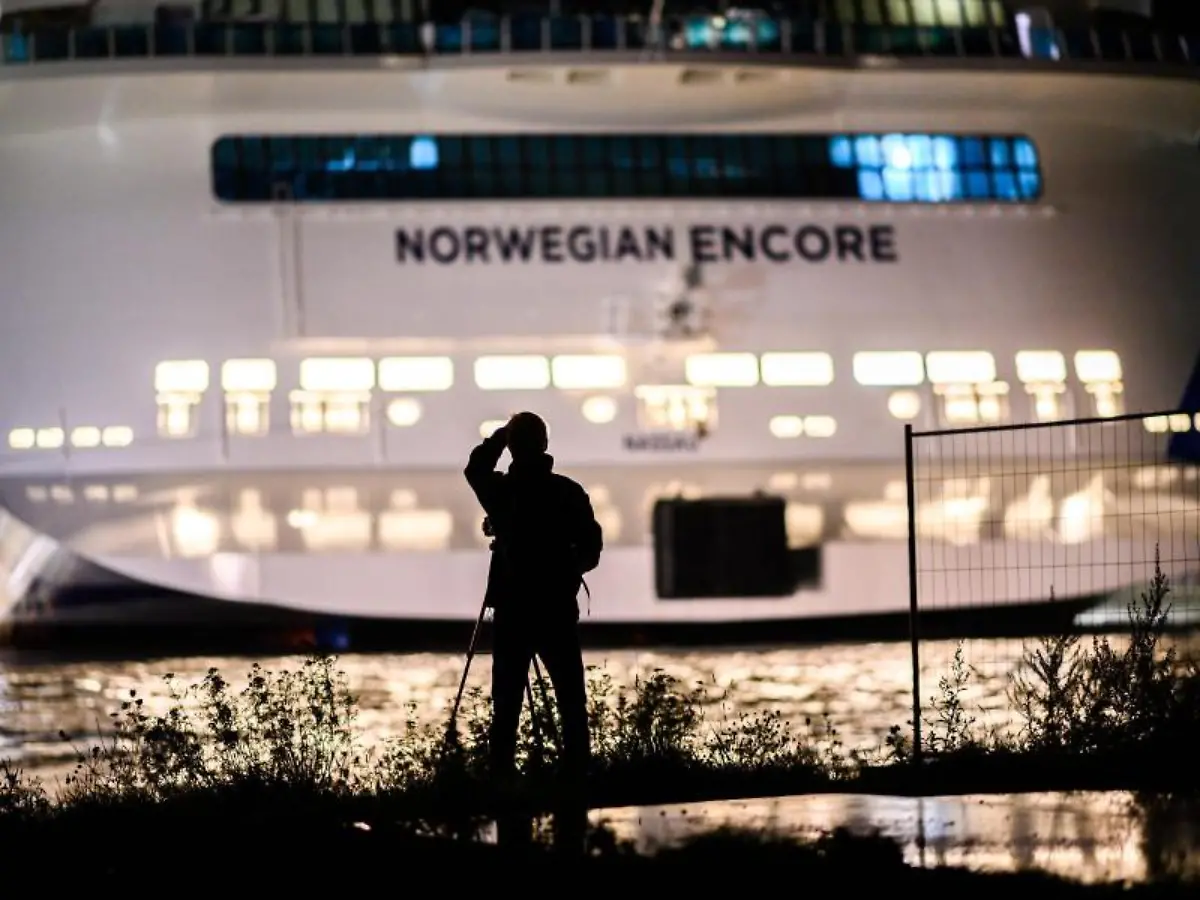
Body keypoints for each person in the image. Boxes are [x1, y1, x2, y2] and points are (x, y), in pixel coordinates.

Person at [463, 411, 602, 850]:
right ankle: (576, 775)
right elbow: (592, 548)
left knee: (505, 701)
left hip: (513, 610)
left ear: (514, 446)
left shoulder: (501, 493)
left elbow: (475, 469)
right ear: (545, 444)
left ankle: (502, 778)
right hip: (557, 608)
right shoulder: (568, 492)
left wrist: (497, 438)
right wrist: (565, 570)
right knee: (570, 697)